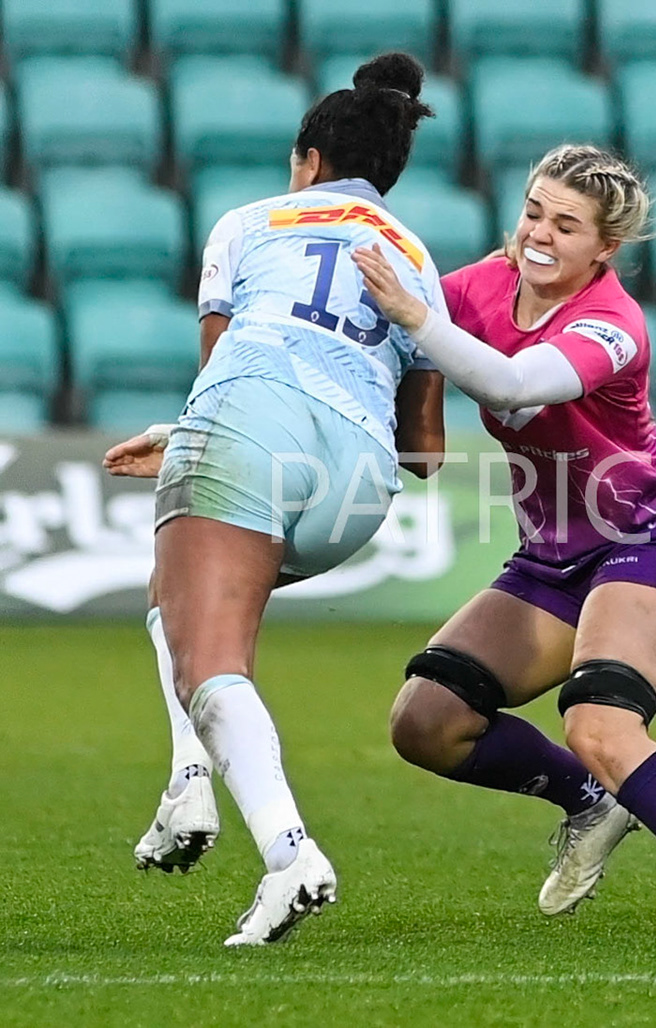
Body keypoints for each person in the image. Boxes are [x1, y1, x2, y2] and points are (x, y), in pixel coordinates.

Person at [352, 144, 656, 940]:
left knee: (599, 725)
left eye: (566, 225)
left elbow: (512, 383)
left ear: (606, 247)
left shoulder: (613, 323)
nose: (539, 234)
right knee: (427, 721)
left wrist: (417, 317)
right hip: (552, 555)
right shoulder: (476, 288)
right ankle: (591, 801)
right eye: (533, 212)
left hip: (651, 534)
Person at [105, 53, 446, 945]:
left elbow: (222, 367)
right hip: (358, 487)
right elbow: (428, 452)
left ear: (309, 159)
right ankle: (187, 782)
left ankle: (289, 854)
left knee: (210, 653)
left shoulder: (249, 222)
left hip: (249, 422)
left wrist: (189, 436)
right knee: (176, 598)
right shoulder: (416, 257)